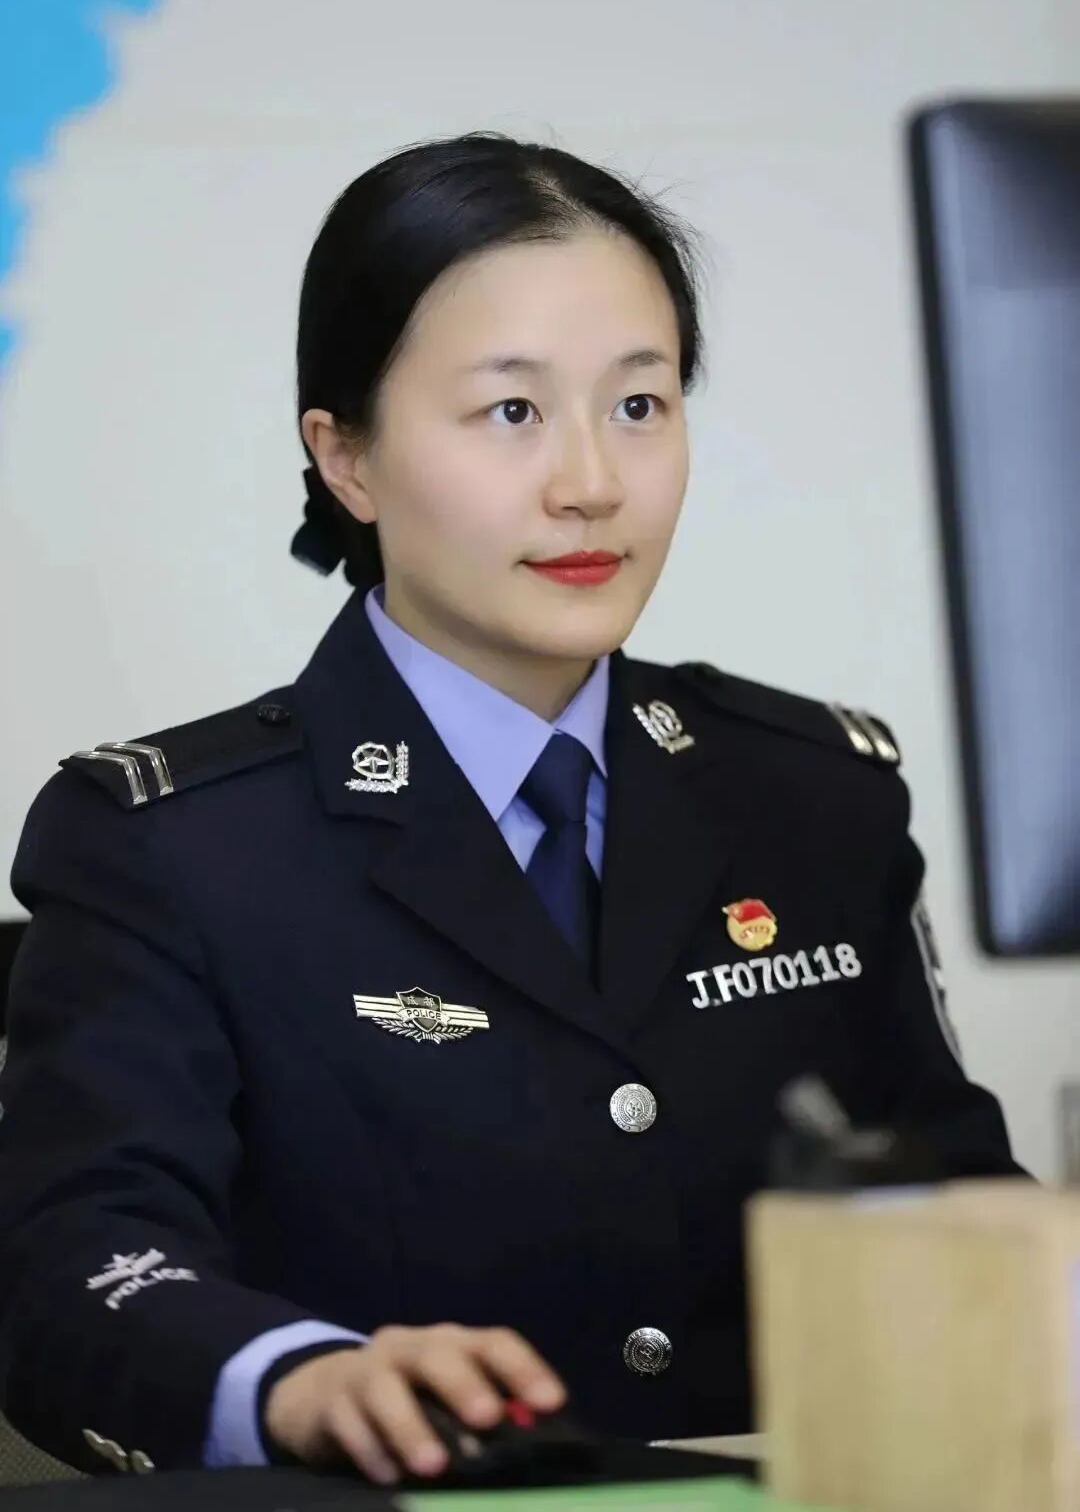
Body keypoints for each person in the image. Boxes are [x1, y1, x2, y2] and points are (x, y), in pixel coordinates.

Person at [0, 132, 1021, 1484]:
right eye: (512, 412)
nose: (591, 482)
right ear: (348, 459)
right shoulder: (170, 848)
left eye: (640, 404)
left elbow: (958, 1208)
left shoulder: (814, 798)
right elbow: (75, 1269)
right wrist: (300, 1383)